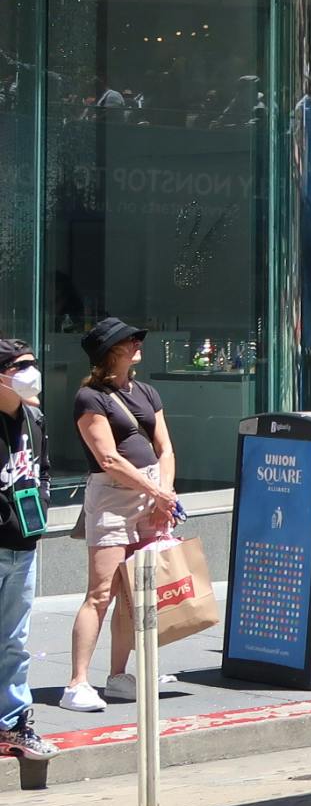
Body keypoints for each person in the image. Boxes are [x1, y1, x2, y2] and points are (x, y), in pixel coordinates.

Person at [61, 317, 180, 713]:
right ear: (111, 352)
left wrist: (166, 493)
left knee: (137, 594)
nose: (137, 344)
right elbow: (107, 458)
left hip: (151, 494)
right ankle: (77, 682)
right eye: (129, 341)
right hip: (114, 498)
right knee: (101, 593)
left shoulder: (146, 391)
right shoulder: (90, 398)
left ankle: (118, 676)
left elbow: (165, 447)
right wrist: (158, 492)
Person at [0, 340, 54, 760]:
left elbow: (43, 470)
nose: (30, 372)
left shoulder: (33, 418)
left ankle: (13, 722)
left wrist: (43, 505)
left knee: (14, 641)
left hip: (24, 545)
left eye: (32, 363)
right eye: (20, 365)